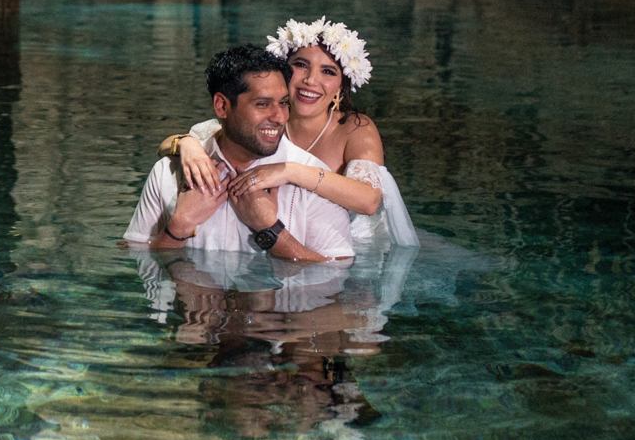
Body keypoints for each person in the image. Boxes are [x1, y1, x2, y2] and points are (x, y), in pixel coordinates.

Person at [169, 17, 419, 248]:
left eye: (328, 71)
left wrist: (290, 171)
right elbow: (207, 132)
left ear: (341, 88)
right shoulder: (262, 124)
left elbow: (369, 201)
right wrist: (186, 144)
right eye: (301, 65)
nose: (311, 80)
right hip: (275, 241)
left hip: (352, 252)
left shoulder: (355, 129)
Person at [122, 45, 355, 263]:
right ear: (222, 106)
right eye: (263, 104)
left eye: (283, 103)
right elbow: (136, 262)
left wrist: (271, 231)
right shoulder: (168, 172)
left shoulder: (312, 181)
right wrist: (179, 227)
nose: (280, 117)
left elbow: (339, 279)